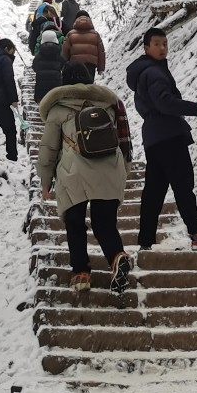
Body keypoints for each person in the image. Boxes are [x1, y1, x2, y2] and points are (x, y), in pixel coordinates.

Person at [125, 27, 197, 250]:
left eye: (165, 44)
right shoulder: (154, 73)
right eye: (157, 43)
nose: (162, 48)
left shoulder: (143, 74)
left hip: (153, 137)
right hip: (169, 135)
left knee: (154, 191)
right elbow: (165, 103)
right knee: (182, 185)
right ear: (146, 48)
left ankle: (145, 242)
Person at [39, 62, 132, 296]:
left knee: (75, 222)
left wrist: (45, 180)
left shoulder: (58, 108)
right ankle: (116, 257)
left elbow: (49, 148)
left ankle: (81, 272)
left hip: (74, 172)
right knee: (104, 224)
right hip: (110, 168)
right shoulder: (110, 105)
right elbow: (123, 140)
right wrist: (125, 169)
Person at [62, 11, 106, 81]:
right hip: (90, 65)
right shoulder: (95, 35)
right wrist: (100, 68)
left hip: (75, 65)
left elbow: (65, 51)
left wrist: (65, 65)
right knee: (88, 88)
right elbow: (101, 52)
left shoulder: (70, 34)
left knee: (77, 87)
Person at [32, 23, 65, 102]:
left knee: (42, 106)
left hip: (41, 84)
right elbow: (63, 65)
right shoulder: (58, 54)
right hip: (56, 84)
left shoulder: (39, 55)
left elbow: (34, 67)